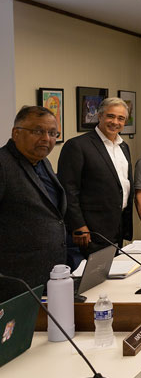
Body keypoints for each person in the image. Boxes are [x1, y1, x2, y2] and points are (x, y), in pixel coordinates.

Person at [57, 97, 132, 261]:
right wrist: (78, 225)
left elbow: (122, 185)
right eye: (110, 116)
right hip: (90, 229)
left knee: (113, 275)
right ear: (100, 116)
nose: (115, 122)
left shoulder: (123, 147)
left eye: (121, 118)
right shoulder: (78, 145)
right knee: (92, 280)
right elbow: (68, 189)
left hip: (116, 225)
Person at [0, 106, 66, 290]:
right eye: (38, 131)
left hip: (49, 273)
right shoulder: (3, 164)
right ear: (16, 133)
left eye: (53, 133)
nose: (46, 138)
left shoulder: (43, 161)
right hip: (15, 278)